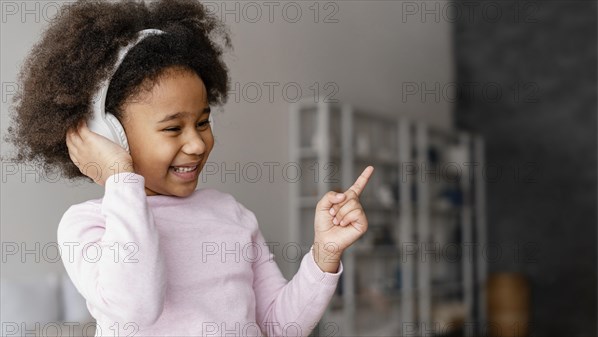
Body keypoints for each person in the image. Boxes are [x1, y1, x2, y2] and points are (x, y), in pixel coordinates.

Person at [3, 0, 374, 336]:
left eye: (202, 122)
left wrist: (323, 255)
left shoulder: (233, 214)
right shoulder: (88, 225)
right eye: (172, 127)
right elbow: (136, 308)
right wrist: (120, 177)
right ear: (111, 135)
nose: (197, 144)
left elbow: (278, 326)